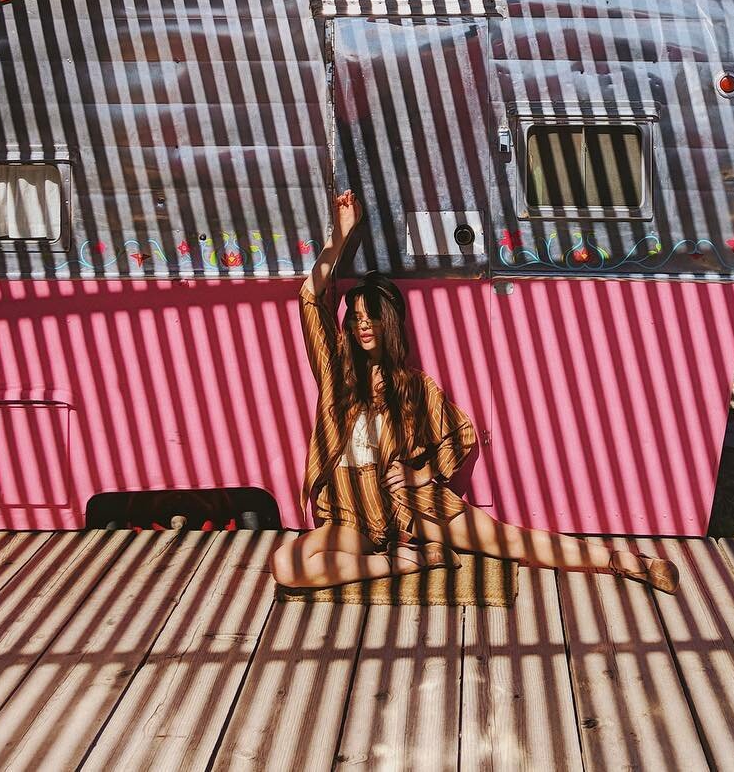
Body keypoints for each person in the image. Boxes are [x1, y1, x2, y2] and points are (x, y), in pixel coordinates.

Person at [271, 190, 679, 595]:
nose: (362, 326)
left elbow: (460, 434)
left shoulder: (413, 386)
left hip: (407, 506)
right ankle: (407, 561)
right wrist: (338, 238)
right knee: (287, 566)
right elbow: (309, 296)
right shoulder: (335, 374)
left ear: (389, 322)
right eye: (356, 318)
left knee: (509, 541)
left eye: (372, 318)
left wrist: (422, 474)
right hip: (348, 512)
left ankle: (621, 561)